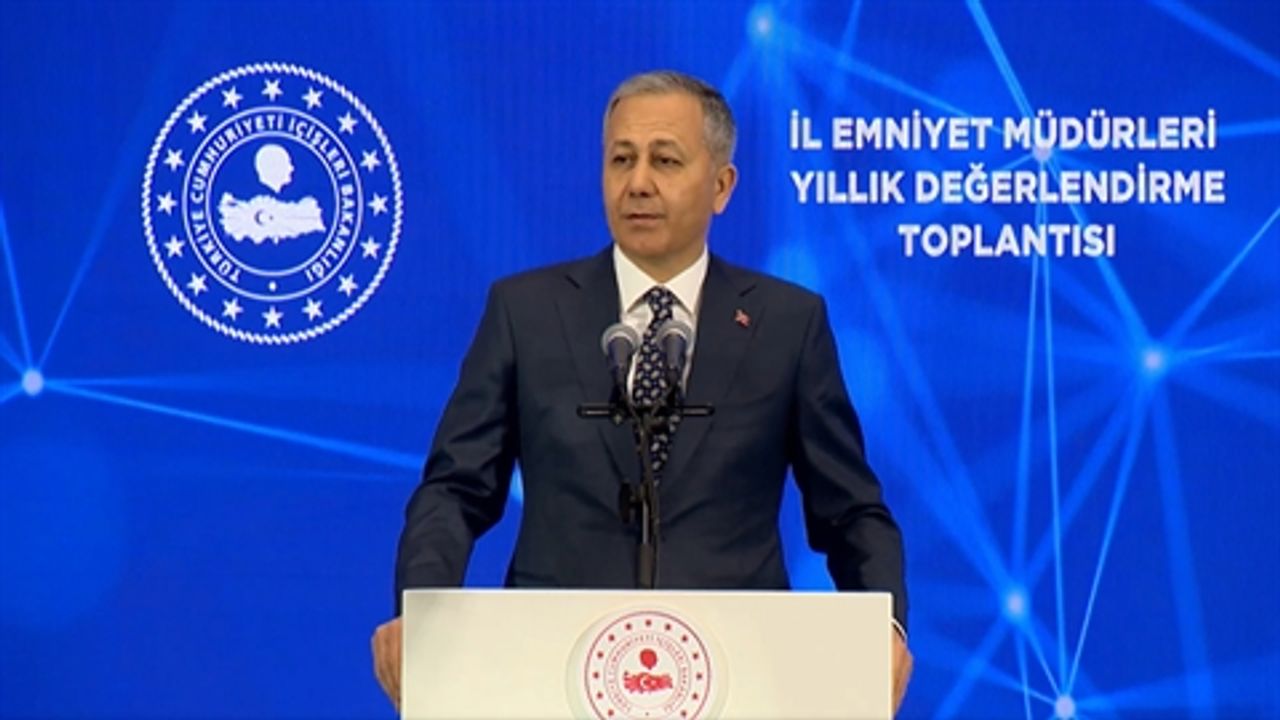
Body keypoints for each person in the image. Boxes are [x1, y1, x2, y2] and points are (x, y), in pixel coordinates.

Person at [372, 70, 913, 713]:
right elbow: (455, 490)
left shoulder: (787, 324)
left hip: (742, 679)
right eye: (621, 160)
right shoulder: (526, 313)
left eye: (666, 161)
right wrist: (419, 610)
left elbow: (850, 510)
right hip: (547, 673)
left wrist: (885, 625)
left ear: (721, 186)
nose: (638, 183)